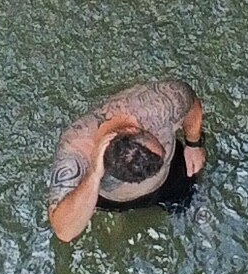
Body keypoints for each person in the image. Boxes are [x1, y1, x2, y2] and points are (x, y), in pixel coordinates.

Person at [43, 79, 208, 242]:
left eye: (160, 148)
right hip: (115, 198)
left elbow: (190, 102)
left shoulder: (160, 104)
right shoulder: (76, 151)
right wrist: (93, 175)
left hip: (170, 176)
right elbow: (64, 232)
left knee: (185, 200)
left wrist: (193, 144)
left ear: (133, 129)